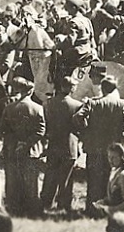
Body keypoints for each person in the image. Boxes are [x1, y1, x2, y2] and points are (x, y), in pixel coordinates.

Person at [74, 75, 124, 216]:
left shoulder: (92, 103)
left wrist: (85, 132)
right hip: (115, 149)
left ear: (102, 88)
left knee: (94, 180)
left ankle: (93, 209)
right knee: (112, 180)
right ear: (114, 88)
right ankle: (109, 209)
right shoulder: (121, 103)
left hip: (94, 147)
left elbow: (77, 118)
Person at [0, 77, 44, 218]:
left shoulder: (9, 108)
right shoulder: (38, 108)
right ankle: (31, 211)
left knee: (13, 181)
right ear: (30, 91)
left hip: (12, 149)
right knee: (31, 183)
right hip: (31, 151)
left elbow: (3, 130)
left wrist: (14, 143)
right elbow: (40, 131)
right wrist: (26, 143)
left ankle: (14, 208)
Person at [41, 76, 82, 213]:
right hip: (69, 144)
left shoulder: (49, 103)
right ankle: (64, 204)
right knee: (67, 177)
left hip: (53, 143)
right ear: (70, 88)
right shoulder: (77, 105)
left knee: (50, 174)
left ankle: (46, 201)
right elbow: (81, 126)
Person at [92, 143, 124, 218]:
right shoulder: (114, 171)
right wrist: (104, 201)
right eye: (109, 157)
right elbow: (115, 196)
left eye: (114, 157)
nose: (110, 160)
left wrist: (109, 210)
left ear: (122, 157)